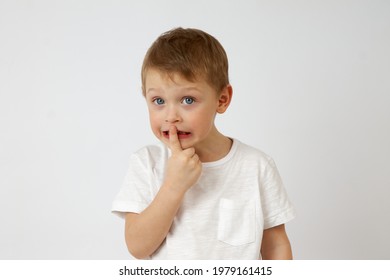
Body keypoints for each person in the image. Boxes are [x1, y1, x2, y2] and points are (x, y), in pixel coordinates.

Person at [111, 27, 296, 260]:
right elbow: (137, 247)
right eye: (158, 100)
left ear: (222, 99)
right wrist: (173, 186)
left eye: (188, 100)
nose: (171, 116)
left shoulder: (256, 166)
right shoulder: (148, 163)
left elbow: (275, 246)